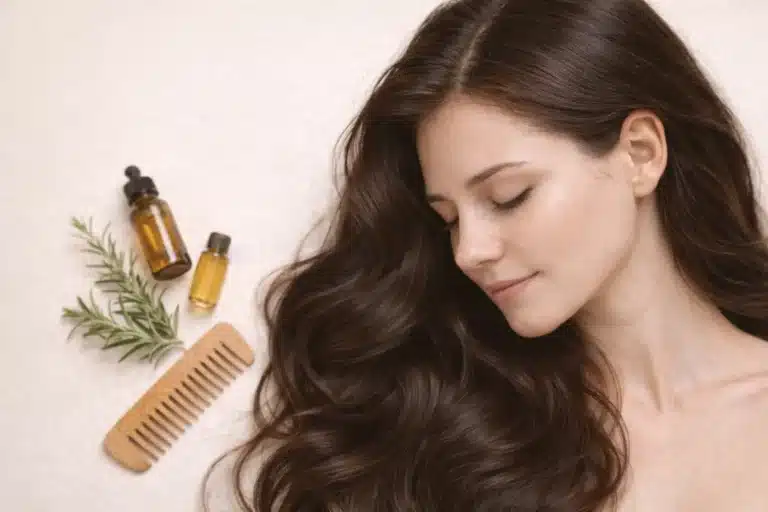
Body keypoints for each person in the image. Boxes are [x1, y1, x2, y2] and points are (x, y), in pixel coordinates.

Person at [209, 0, 768, 510]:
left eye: (509, 196)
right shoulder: (455, 435)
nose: (468, 252)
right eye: (448, 220)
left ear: (641, 154)